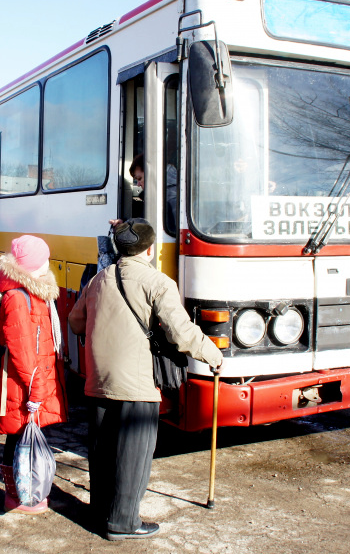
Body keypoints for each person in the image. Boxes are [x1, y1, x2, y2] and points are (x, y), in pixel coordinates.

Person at [68, 218, 223, 541]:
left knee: (102, 449)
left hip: (98, 378)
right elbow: (181, 333)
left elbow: (76, 322)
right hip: (136, 382)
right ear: (150, 249)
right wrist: (213, 355)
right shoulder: (158, 282)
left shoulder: (98, 279)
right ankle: (123, 522)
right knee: (134, 453)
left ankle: (101, 511)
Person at [0, 235, 67, 514]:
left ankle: (26, 491)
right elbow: (23, 350)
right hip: (24, 383)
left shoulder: (32, 291)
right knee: (18, 436)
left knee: (22, 434)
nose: (48, 263)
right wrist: (36, 391)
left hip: (31, 379)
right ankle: (17, 495)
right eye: (44, 259)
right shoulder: (18, 297)